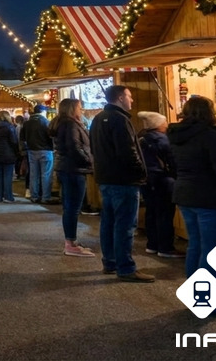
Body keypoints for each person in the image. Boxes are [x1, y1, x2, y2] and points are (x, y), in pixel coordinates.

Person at [169, 96, 216, 316]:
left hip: (185, 195)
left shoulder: (176, 135)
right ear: (209, 112)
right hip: (211, 198)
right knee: (211, 252)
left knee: (196, 246)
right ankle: (209, 302)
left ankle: (197, 298)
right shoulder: (211, 136)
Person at [90, 85, 152, 282]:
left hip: (105, 178)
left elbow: (93, 147)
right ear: (119, 97)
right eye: (129, 96)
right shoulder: (120, 119)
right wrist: (140, 172)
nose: (131, 100)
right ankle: (125, 267)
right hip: (123, 179)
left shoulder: (98, 119)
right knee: (125, 224)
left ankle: (110, 261)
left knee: (108, 222)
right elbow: (128, 151)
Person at [50, 98, 95, 257]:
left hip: (67, 168)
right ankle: (70, 243)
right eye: (79, 107)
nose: (81, 109)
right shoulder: (70, 125)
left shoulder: (62, 123)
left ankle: (71, 241)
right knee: (72, 208)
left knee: (70, 207)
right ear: (72, 109)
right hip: (73, 169)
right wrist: (90, 161)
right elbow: (75, 147)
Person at [137, 111, 183, 259]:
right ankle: (165, 247)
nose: (166, 125)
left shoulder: (141, 138)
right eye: (164, 123)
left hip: (146, 180)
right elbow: (173, 161)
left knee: (151, 211)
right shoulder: (163, 140)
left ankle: (152, 244)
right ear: (158, 125)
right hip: (162, 180)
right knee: (165, 213)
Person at [22, 104, 56, 204]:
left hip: (32, 151)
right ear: (42, 112)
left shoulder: (27, 123)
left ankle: (34, 196)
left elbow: (23, 138)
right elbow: (51, 137)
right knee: (46, 174)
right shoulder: (46, 122)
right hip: (45, 150)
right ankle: (46, 197)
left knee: (34, 174)